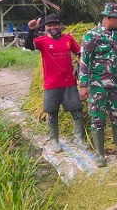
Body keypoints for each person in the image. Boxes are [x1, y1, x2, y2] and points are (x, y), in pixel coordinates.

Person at [78, 2, 117, 166]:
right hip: (97, 85)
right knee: (97, 118)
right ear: (108, 17)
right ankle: (99, 154)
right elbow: (84, 61)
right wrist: (83, 86)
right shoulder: (92, 36)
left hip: (115, 84)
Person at [25, 14, 86, 153]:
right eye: (49, 25)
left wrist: (84, 67)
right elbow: (28, 46)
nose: (53, 27)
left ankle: (78, 138)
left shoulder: (68, 39)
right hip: (51, 84)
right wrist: (31, 30)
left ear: (60, 25)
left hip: (69, 82)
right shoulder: (42, 40)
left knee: (76, 110)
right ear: (46, 27)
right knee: (52, 113)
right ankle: (54, 140)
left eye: (55, 24)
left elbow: (79, 53)